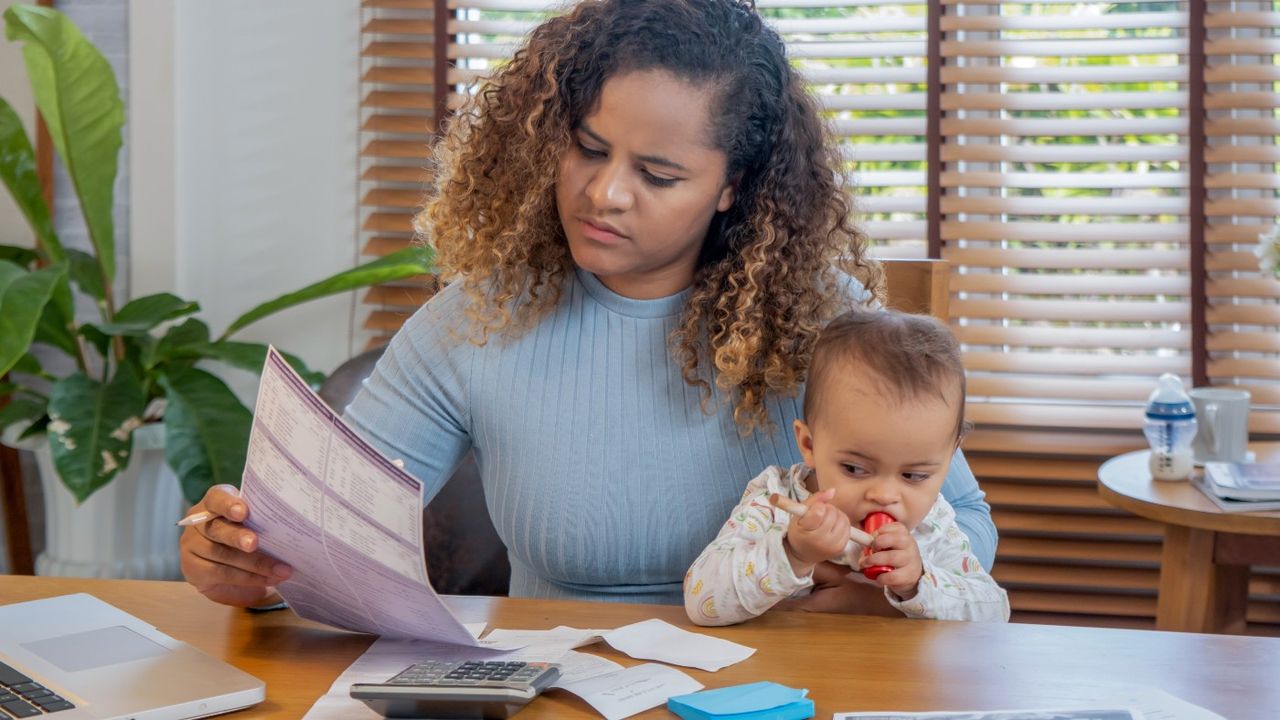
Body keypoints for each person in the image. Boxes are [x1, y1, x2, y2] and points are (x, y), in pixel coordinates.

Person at [179, 0, 996, 610]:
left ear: (731, 188)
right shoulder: (476, 319)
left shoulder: (822, 321)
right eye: (588, 148)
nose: (605, 193)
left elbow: (965, 530)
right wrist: (244, 562)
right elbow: (320, 535)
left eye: (659, 175)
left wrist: (874, 576)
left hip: (784, 681)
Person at [684, 310, 1010, 625]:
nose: (883, 495)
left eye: (913, 475)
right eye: (854, 469)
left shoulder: (932, 524)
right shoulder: (774, 502)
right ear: (809, 445)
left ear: (950, 459)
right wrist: (792, 553)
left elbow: (994, 612)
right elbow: (702, 604)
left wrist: (917, 582)